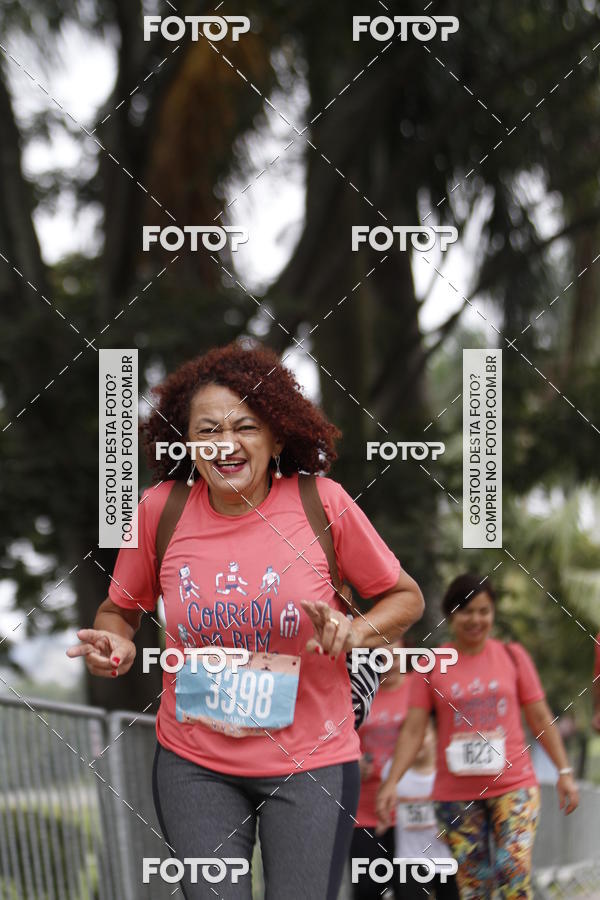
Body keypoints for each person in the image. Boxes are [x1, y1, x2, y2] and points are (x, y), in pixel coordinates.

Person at [67, 342, 424, 900]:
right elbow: (120, 611)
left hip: (312, 762)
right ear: (187, 442)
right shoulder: (160, 510)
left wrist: (354, 632)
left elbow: (404, 597)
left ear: (277, 435)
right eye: (207, 430)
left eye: (246, 427)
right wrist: (113, 643)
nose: (225, 444)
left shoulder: (321, 503)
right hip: (194, 761)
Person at [377, 573, 579, 900]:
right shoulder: (430, 666)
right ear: (450, 615)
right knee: (474, 888)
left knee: (512, 871)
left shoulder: (513, 656)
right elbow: (413, 730)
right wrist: (391, 783)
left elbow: (540, 718)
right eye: (466, 612)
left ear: (493, 613)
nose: (476, 620)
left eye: (484, 611)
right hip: (456, 796)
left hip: (513, 786)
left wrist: (564, 773)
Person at [349, 639, 411, 899]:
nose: (389, 657)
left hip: (410, 811)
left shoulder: (419, 689)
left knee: (411, 890)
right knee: (366, 890)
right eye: (380, 653)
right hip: (364, 813)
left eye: (394, 650)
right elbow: (340, 738)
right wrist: (354, 762)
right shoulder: (358, 693)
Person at [381, 720, 459, 900]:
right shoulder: (393, 772)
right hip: (410, 860)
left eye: (425, 735)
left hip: (447, 858)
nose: (419, 742)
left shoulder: (448, 770)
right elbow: (384, 806)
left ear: (436, 737)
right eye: (413, 737)